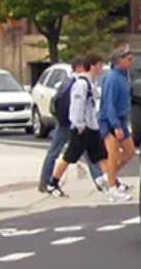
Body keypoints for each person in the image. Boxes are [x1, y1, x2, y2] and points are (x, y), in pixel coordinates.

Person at [48, 51, 115, 199]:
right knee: (68, 157)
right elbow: (76, 107)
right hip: (82, 129)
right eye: (99, 65)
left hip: (92, 127)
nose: (102, 67)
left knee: (101, 156)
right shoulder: (81, 84)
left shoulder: (91, 83)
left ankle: (111, 187)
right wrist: (79, 126)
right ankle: (52, 184)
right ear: (92, 66)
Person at [98, 46, 135, 199]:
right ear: (119, 60)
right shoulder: (112, 77)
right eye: (128, 59)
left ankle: (108, 177)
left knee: (130, 152)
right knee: (113, 154)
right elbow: (109, 103)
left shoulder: (124, 76)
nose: (131, 62)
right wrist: (115, 125)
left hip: (121, 119)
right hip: (110, 120)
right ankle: (112, 188)